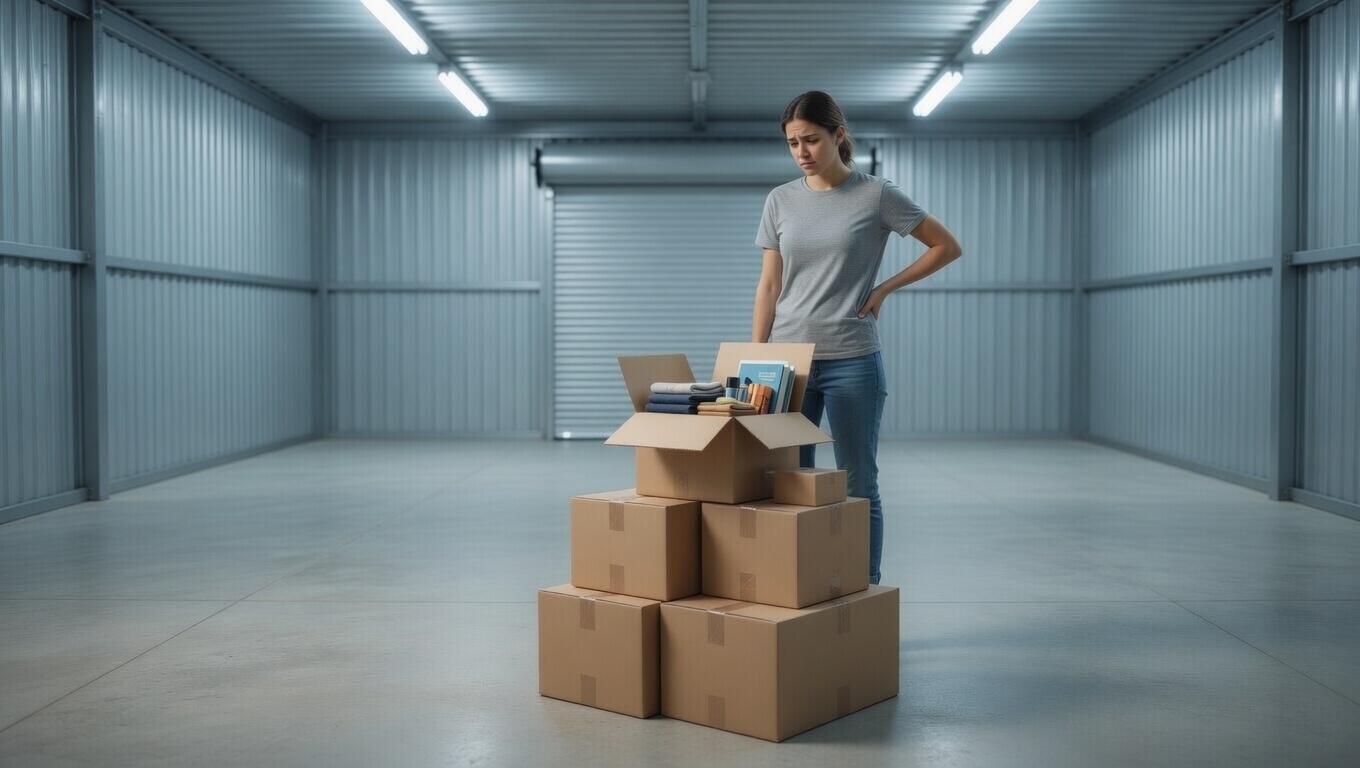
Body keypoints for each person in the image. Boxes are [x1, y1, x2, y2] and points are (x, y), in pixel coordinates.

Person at [752, 90, 962, 585]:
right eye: (792, 143)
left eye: (811, 140)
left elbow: (946, 246)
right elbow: (769, 285)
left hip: (852, 359)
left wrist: (886, 287)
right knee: (789, 485)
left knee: (858, 485)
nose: (801, 151)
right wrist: (755, 357)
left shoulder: (877, 195)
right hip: (788, 366)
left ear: (838, 135)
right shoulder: (780, 200)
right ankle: (795, 587)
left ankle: (860, 594)